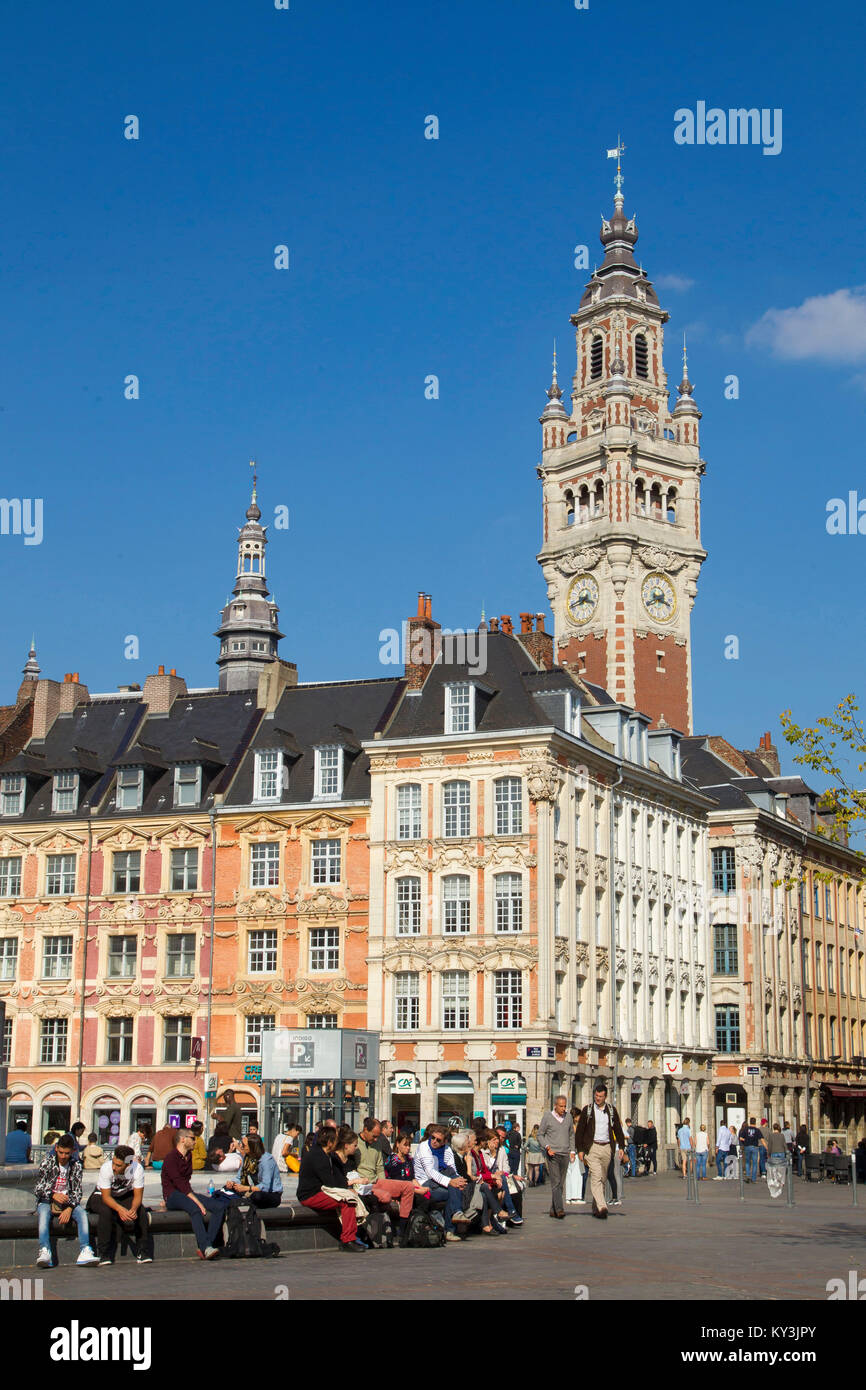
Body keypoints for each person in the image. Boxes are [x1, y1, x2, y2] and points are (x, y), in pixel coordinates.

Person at [34, 1133, 99, 1268]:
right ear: (56, 1148)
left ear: (73, 1151)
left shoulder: (76, 1166)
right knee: (44, 1214)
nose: (63, 1156)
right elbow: (38, 1188)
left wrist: (69, 1208)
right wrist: (53, 1195)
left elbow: (77, 1191)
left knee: (82, 1214)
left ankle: (85, 1250)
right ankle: (45, 1250)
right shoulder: (48, 1162)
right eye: (61, 1152)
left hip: (67, 1203)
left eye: (67, 1153)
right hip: (47, 1201)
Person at [297, 1125, 365, 1252]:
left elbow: (336, 1178)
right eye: (335, 1141)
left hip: (320, 1191)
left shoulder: (325, 1154)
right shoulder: (318, 1156)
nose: (337, 1143)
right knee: (347, 1201)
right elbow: (329, 1182)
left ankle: (351, 1237)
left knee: (349, 1198)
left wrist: (346, 1186)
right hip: (310, 1195)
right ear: (329, 1143)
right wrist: (346, 1190)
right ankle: (348, 1240)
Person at [161, 1128, 225, 1259]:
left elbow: (186, 1183)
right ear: (183, 1139)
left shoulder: (188, 1156)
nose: (195, 1142)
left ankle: (208, 1245)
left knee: (219, 1207)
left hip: (186, 1193)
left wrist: (196, 1198)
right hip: (172, 1195)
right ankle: (205, 1246)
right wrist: (198, 1202)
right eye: (192, 1138)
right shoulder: (171, 1158)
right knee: (195, 1209)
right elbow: (179, 1183)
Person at [86, 1145, 150, 1265]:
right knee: (106, 1211)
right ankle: (103, 1253)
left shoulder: (137, 1169)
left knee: (141, 1211)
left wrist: (133, 1209)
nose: (114, 1168)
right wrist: (120, 1209)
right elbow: (106, 1197)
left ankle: (143, 1251)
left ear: (129, 1164)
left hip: (123, 1195)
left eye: (118, 1165)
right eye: (113, 1163)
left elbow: (137, 1196)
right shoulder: (106, 1168)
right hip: (100, 1195)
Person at [575, 1080, 627, 1221]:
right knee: (596, 1176)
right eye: (596, 1096)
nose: (598, 1099)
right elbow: (580, 1131)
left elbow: (618, 1129)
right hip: (592, 1147)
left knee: (602, 1179)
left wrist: (621, 1146)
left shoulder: (611, 1110)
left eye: (600, 1096)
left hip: (607, 1148)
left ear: (605, 1097)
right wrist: (580, 1149)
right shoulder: (588, 1110)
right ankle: (603, 1207)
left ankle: (595, 1207)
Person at [412, 1124, 467, 1241]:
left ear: (444, 1141)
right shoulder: (423, 1147)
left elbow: (452, 1169)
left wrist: (458, 1181)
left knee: (455, 1183)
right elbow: (430, 1171)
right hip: (425, 1182)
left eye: (438, 1140)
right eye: (433, 1137)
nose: (434, 1141)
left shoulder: (447, 1149)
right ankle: (451, 1227)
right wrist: (451, 1182)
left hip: (441, 1180)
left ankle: (454, 1221)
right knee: (450, 1193)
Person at [538, 1094, 575, 1219]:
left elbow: (571, 1135)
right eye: (561, 1106)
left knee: (560, 1184)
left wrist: (572, 1151)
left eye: (565, 1106)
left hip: (565, 1153)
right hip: (553, 1153)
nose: (563, 1109)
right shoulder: (548, 1117)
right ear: (555, 1106)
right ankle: (559, 1209)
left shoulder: (569, 1117)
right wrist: (547, 1147)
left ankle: (553, 1209)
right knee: (556, 1182)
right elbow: (540, 1135)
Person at [221, 1134, 283, 1209]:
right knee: (227, 1188)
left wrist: (246, 1188)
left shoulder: (266, 1160)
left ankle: (246, 1202)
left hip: (270, 1194)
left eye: (244, 1145)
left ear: (252, 1146)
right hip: (252, 1189)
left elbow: (265, 1186)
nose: (241, 1147)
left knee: (257, 1196)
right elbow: (239, 1177)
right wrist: (232, 1183)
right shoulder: (247, 1157)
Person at [761, 1122, 788, 1199]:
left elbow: (770, 1145)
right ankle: (781, 1180)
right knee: (781, 1168)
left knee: (774, 1168)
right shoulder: (782, 1135)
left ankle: (775, 1179)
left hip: (773, 1152)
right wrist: (787, 1151)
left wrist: (768, 1153)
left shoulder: (771, 1135)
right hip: (781, 1152)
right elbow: (784, 1144)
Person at [740, 1117, 762, 1183]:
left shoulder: (746, 1129)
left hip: (747, 1147)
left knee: (747, 1162)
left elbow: (741, 1138)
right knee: (755, 1163)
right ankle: (753, 1179)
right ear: (755, 1122)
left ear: (750, 1122)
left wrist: (746, 1140)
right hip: (755, 1147)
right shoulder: (757, 1130)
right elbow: (762, 1139)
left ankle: (748, 1177)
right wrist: (766, 1147)